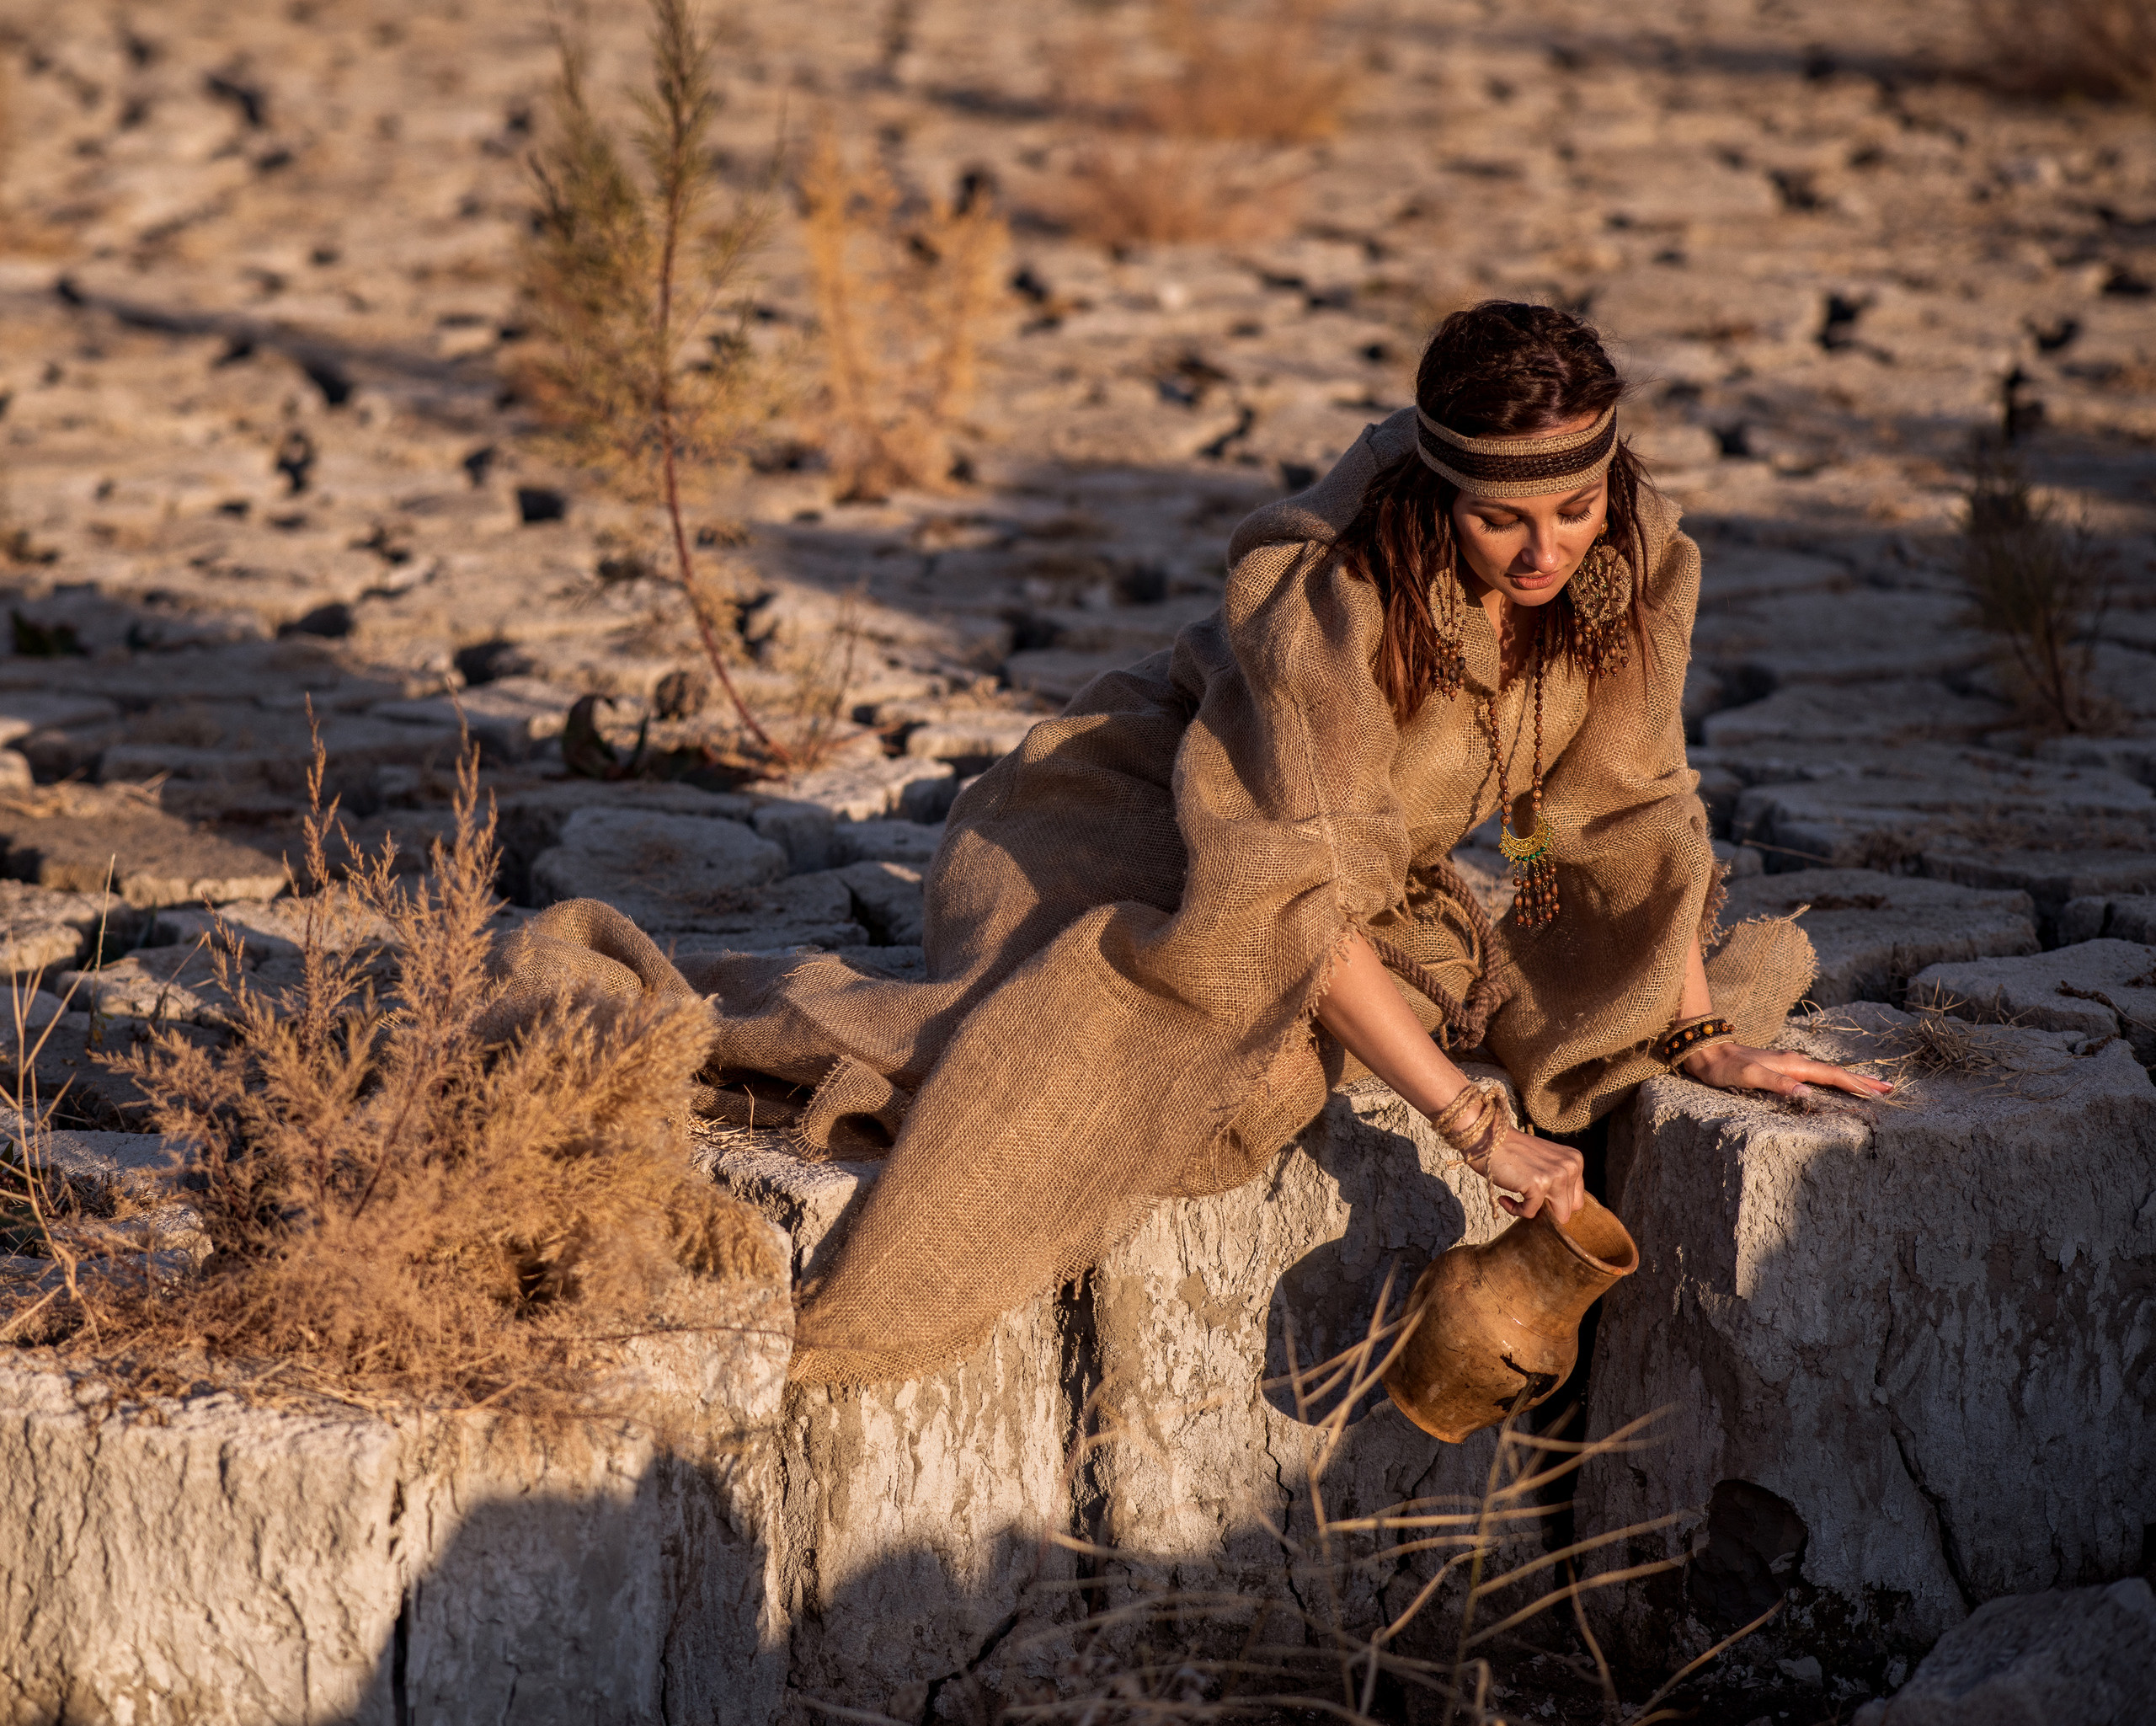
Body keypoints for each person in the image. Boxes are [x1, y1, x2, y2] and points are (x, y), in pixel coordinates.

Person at [513, 302, 1886, 1387]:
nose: (1545, 552)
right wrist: (1476, 1128)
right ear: (1435, 492)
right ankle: (713, 1065)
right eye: (1502, 519)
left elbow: (1628, 811)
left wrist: (1683, 1032)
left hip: (1334, 877)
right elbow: (1287, 895)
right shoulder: (1332, 601)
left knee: (1422, 1005)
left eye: (1572, 510)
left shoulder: (1627, 559)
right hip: (1116, 825)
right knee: (1110, 1059)